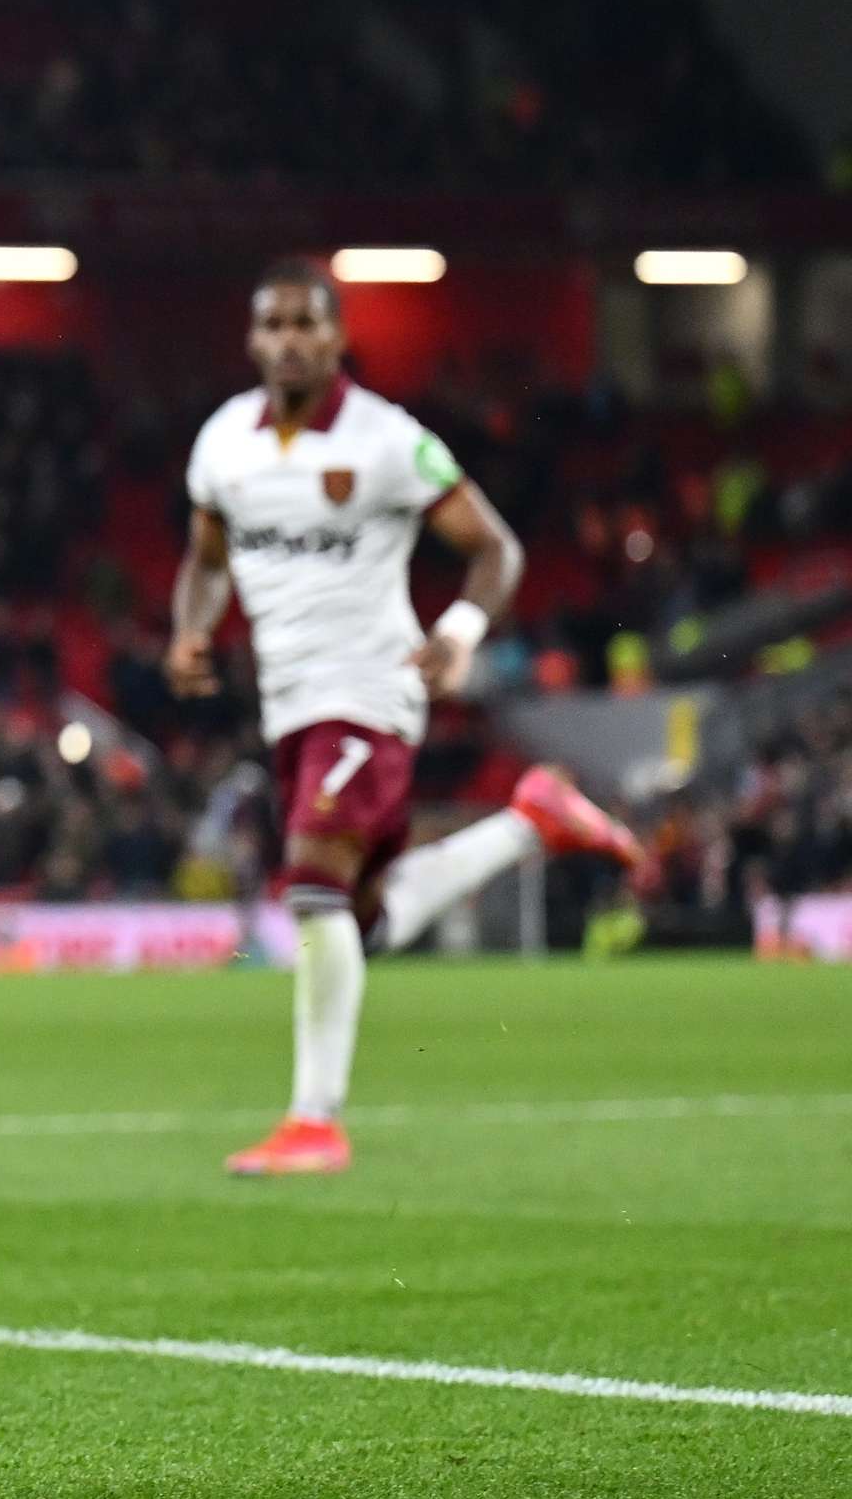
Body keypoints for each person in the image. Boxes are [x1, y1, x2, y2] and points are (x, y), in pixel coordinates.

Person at [168, 259, 647, 1176]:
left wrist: (460, 630)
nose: (290, 342)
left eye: (308, 324)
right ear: (251, 340)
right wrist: (192, 632)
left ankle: (315, 1121)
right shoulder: (223, 441)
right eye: (273, 326)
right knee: (363, 919)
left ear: (340, 337)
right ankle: (530, 820)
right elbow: (205, 557)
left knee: (312, 890)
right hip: (289, 703)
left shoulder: (391, 441)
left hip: (372, 692)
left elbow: (496, 551)